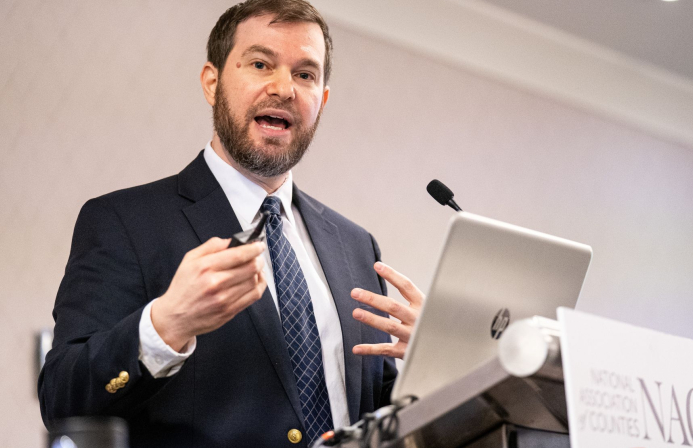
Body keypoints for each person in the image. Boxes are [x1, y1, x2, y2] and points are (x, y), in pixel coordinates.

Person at [38, 1, 424, 446]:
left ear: (323, 99)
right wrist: (165, 325)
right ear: (212, 82)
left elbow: (383, 414)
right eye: (261, 64)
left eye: (305, 74)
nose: (284, 88)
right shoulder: (124, 222)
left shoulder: (357, 246)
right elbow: (62, 402)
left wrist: (433, 362)